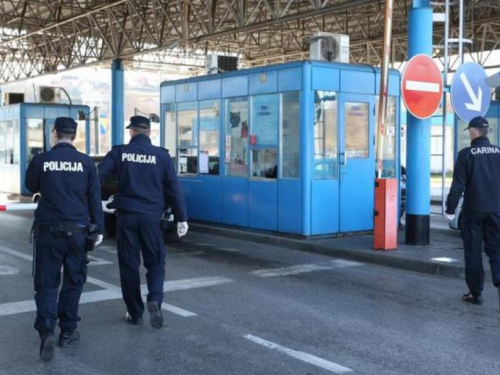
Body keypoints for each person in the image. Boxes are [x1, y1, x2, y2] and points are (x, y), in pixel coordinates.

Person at [25, 117, 104, 362]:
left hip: (48, 231)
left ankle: (47, 328)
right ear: (75, 134)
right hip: (79, 231)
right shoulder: (87, 163)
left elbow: (30, 186)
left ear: (54, 133)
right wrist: (99, 229)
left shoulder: (41, 160)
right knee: (74, 281)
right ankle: (68, 331)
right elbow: (94, 198)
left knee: (47, 283)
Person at [98, 115, 188, 329]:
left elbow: (97, 175)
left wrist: (101, 203)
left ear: (131, 131)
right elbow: (174, 189)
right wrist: (182, 218)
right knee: (155, 262)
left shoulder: (119, 152)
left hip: (126, 216)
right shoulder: (161, 156)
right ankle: (155, 299)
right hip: (151, 217)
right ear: (149, 132)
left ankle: (135, 312)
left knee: (129, 264)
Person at [446, 116, 500, 308]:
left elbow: (457, 186)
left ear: (473, 132)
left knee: (473, 252)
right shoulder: (498, 153)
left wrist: (450, 210)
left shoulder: (466, 154)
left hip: (473, 211)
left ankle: (475, 294)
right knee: (497, 250)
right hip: (496, 210)